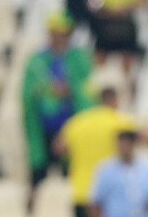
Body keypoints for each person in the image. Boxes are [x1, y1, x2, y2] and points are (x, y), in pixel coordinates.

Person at [22, 10, 94, 189]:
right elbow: (27, 90)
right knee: (39, 174)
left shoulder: (79, 58)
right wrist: (47, 90)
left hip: (71, 123)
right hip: (43, 126)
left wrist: (71, 91)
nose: (59, 39)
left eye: (63, 34)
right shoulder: (37, 59)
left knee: (70, 175)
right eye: (55, 34)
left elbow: (88, 88)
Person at [56, 87, 137, 217]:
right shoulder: (120, 121)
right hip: (108, 194)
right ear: (113, 100)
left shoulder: (78, 122)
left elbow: (59, 147)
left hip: (81, 191)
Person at [85, 0, 148, 76]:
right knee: (99, 59)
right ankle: (100, 83)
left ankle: (125, 83)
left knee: (127, 59)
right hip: (104, 23)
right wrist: (106, 9)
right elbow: (90, 0)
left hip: (126, 24)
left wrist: (125, 7)